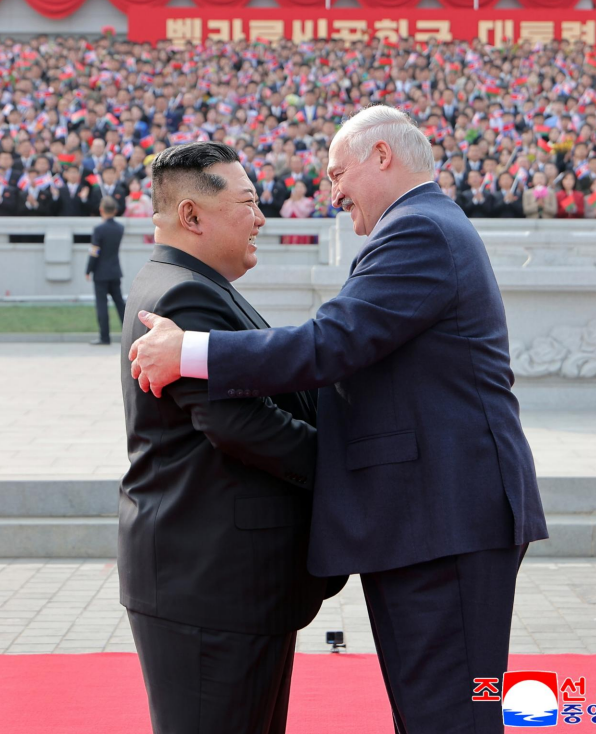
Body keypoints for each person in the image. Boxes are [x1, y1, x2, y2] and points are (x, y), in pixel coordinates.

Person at [129, 108, 548, 734]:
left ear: (381, 155)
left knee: (452, 714)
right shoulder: (423, 225)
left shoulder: (419, 230)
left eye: (336, 173)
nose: (333, 194)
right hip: (430, 519)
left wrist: (190, 351)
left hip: (445, 518)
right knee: (435, 711)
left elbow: (332, 342)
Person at [120, 142, 342, 734]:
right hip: (212, 586)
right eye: (248, 203)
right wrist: (344, 468)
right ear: (191, 215)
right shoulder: (183, 295)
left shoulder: (193, 283)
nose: (261, 218)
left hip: (226, 583)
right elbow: (239, 423)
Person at [85, 196, 126, 345]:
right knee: (120, 304)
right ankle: (130, 334)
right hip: (115, 270)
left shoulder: (99, 229)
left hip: (101, 273)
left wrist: (88, 269)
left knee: (102, 305)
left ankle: (104, 337)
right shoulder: (120, 228)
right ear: (115, 210)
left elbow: (95, 251)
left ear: (101, 210)